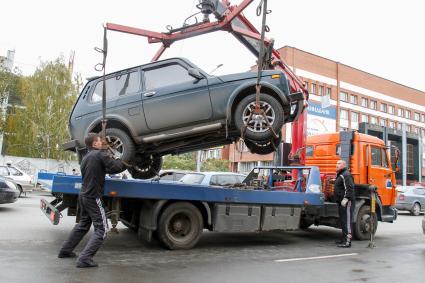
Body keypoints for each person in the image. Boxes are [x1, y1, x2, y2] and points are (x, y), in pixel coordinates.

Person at [58, 133, 127, 268]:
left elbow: (104, 169)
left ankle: (65, 251)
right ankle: (85, 258)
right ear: (94, 144)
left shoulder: (86, 157)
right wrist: (125, 160)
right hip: (93, 196)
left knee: (83, 224)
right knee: (102, 229)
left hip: (83, 195)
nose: (102, 142)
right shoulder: (100, 154)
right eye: (99, 141)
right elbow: (115, 167)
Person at [334, 159, 355, 248]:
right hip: (341, 202)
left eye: (339, 163)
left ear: (344, 165)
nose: (337, 165)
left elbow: (349, 188)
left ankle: (347, 241)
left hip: (346, 202)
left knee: (347, 222)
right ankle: (343, 239)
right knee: (343, 221)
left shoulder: (346, 174)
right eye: (336, 163)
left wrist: (346, 198)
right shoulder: (341, 175)